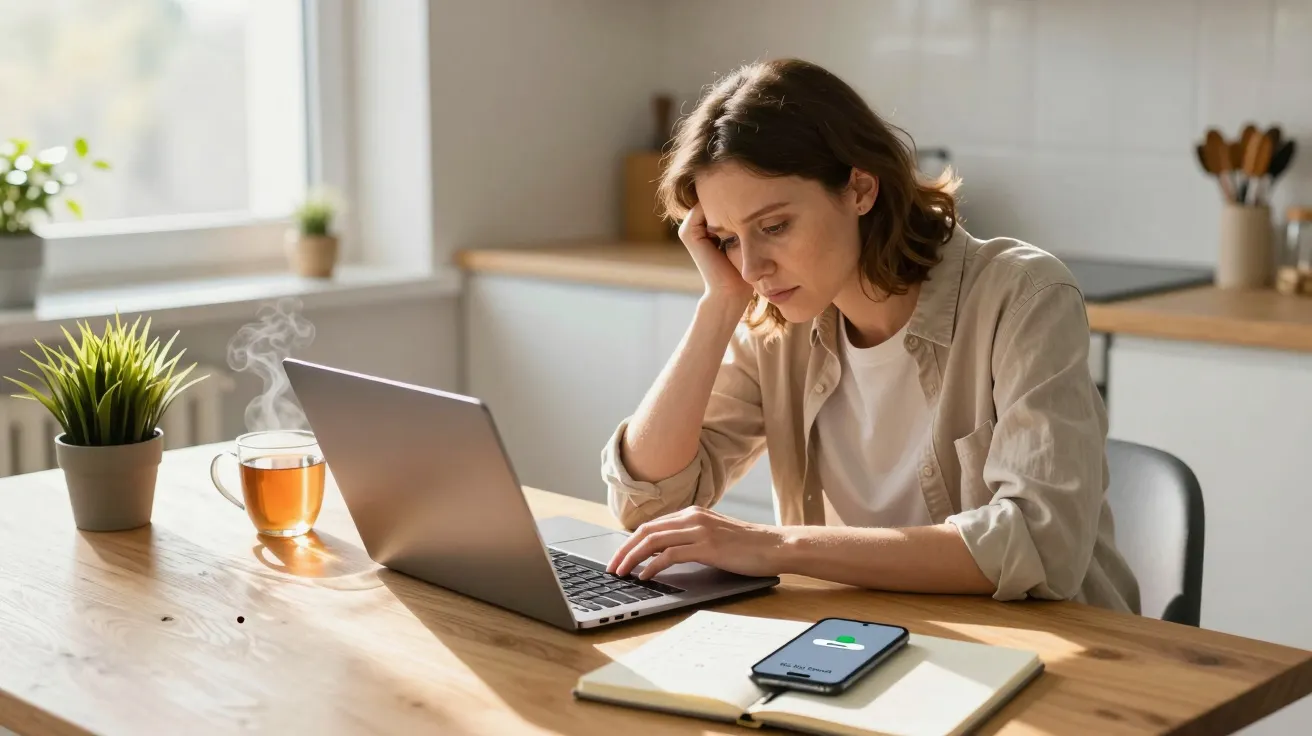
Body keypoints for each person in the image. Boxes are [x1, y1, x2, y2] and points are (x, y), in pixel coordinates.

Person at [599, 58, 1140, 613]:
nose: (753, 266)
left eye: (775, 226)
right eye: (726, 238)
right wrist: (719, 305)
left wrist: (779, 546)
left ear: (859, 188)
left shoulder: (1023, 296)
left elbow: (1040, 545)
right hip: (865, 640)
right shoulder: (774, 319)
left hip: (1056, 653)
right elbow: (647, 506)